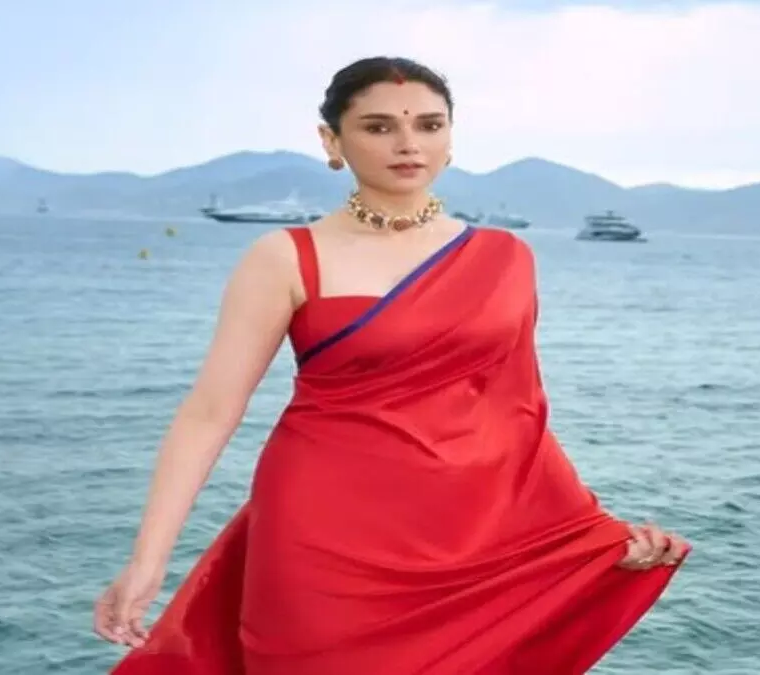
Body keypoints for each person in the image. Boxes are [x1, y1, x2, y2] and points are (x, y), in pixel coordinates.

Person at [93, 55, 691, 674]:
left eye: (429, 125)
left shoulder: (505, 256)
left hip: (463, 535)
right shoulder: (285, 257)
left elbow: (518, 414)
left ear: (451, 138)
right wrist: (148, 560)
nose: (409, 143)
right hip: (319, 530)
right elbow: (210, 413)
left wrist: (587, 532)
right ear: (332, 141)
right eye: (379, 127)